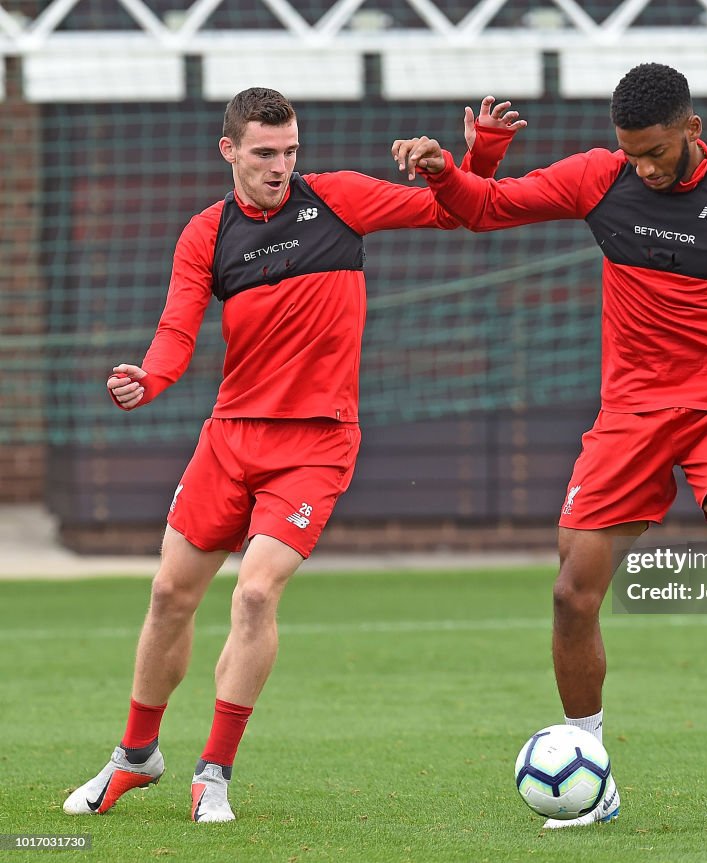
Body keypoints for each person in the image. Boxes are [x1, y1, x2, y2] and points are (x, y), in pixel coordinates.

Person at [393, 63, 707, 828]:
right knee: (572, 592)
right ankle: (592, 773)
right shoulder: (600, 180)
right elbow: (485, 210)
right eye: (631, 151)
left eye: (656, 151)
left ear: (693, 131)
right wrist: (458, 166)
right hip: (631, 411)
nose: (644, 166)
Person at [63, 88, 526, 823]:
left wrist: (469, 160)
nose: (281, 167)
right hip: (229, 438)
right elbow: (177, 331)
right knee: (167, 595)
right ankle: (136, 754)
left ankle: (212, 771)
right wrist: (147, 377)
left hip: (315, 443)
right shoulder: (205, 235)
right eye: (265, 153)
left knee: (253, 593)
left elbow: (457, 210)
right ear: (230, 152)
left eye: (290, 151)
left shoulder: (339, 200)